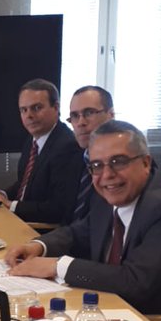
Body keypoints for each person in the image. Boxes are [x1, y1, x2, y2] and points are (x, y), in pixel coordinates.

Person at [4, 120, 161, 315]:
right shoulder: (108, 195)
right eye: (97, 165)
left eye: (118, 161)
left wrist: (57, 266)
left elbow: (134, 281)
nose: (107, 175)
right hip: (116, 310)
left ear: (145, 163)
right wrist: (38, 246)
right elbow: (79, 232)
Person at [0, 78, 83, 224]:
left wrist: (10, 205)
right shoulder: (32, 139)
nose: (29, 115)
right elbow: (25, 183)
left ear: (56, 107)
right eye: (24, 110)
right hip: (22, 220)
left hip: (40, 228)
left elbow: (58, 209)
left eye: (36, 108)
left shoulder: (67, 146)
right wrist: (3, 194)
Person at [65, 85, 115, 222]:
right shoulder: (72, 158)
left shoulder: (126, 163)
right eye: (75, 116)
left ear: (111, 115)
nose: (80, 122)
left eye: (89, 113)